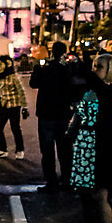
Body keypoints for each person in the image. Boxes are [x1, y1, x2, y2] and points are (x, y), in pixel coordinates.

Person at [70, 52, 112, 223]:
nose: (94, 70)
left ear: (111, 71)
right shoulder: (91, 92)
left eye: (98, 67)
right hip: (85, 147)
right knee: (85, 198)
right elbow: (79, 116)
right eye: (93, 66)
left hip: (103, 149)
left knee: (99, 196)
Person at [29, 41, 73, 191]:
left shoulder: (45, 69)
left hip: (46, 114)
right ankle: (67, 179)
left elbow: (33, 83)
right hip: (62, 114)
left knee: (47, 150)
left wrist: (37, 69)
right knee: (65, 148)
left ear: (51, 52)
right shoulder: (67, 69)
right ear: (64, 52)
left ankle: (51, 181)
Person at [0, 55, 28, 159]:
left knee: (15, 128)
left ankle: (20, 150)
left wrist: (25, 107)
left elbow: (21, 91)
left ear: (7, 64)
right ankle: (2, 149)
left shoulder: (14, 76)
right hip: (3, 104)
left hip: (14, 105)